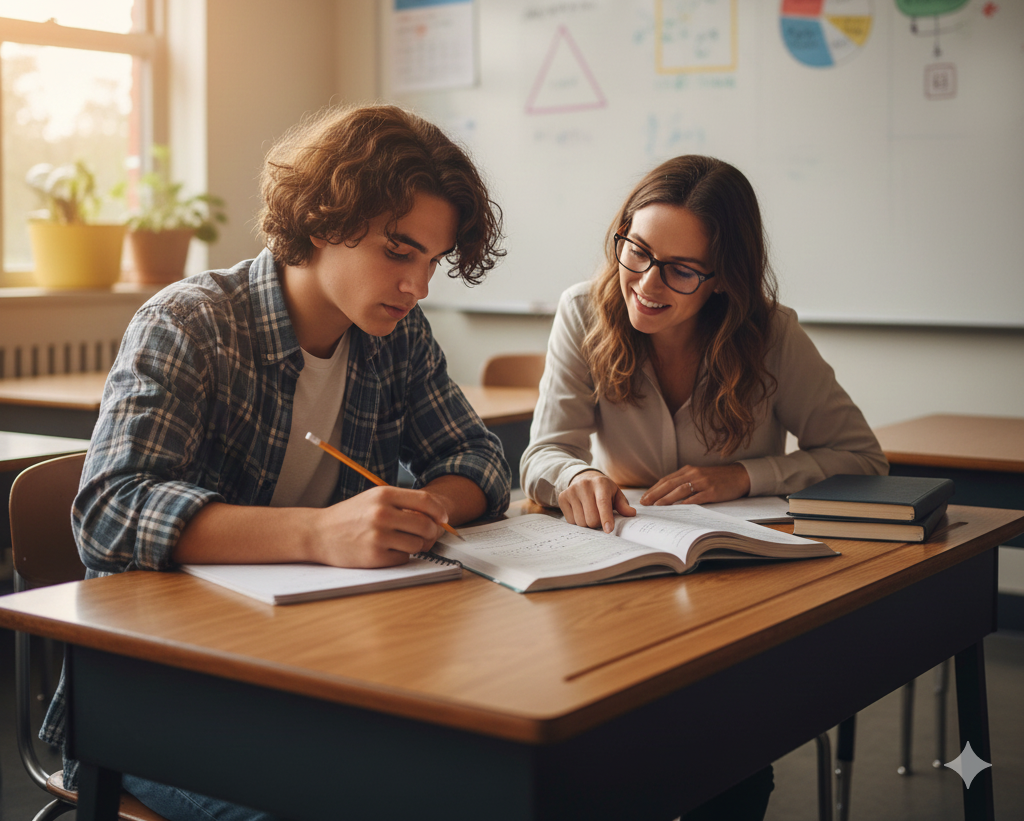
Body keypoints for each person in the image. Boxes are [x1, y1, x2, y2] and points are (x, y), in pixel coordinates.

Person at [41, 104, 512, 821]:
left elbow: (479, 458)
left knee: (471, 785)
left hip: (314, 671)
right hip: (155, 699)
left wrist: (426, 509)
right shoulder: (190, 323)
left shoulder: (397, 338)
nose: (418, 287)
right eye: (398, 251)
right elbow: (109, 512)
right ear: (325, 221)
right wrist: (317, 535)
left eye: (431, 261)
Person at [520, 154, 887, 821]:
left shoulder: (772, 335)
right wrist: (578, 475)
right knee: (598, 758)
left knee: (728, 771)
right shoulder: (584, 310)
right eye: (637, 251)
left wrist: (745, 476)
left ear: (724, 279)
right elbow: (545, 452)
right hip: (619, 584)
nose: (647, 283)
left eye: (681, 270)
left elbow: (861, 458)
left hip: (736, 592)